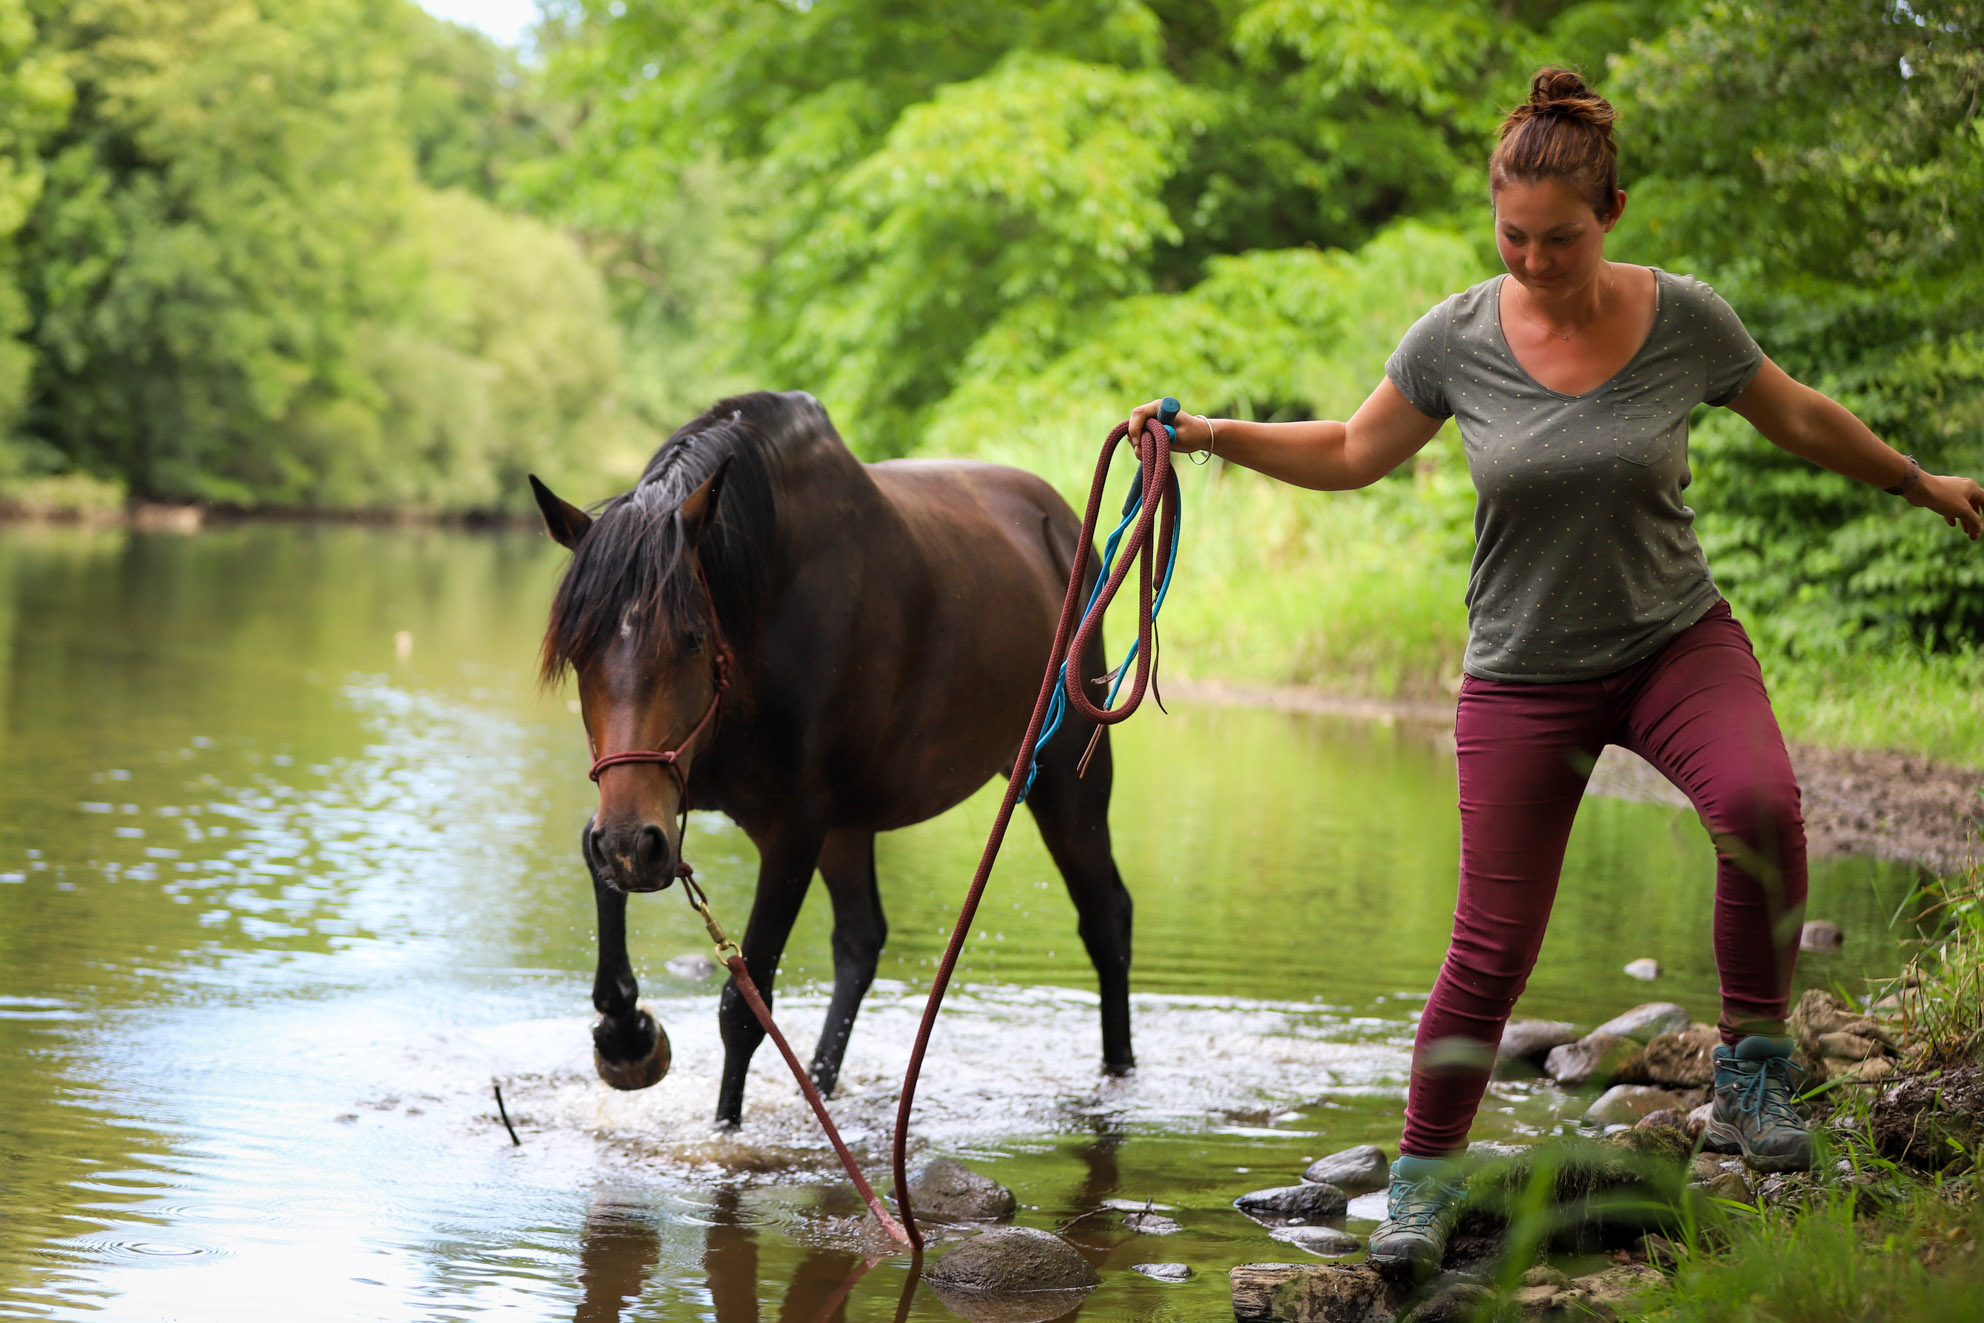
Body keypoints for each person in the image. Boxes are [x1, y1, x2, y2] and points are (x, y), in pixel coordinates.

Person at [1125, 66, 1984, 1273]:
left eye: (1560, 240)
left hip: (1671, 639)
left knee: (1757, 806)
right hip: (1523, 673)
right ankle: (1421, 1181)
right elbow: (1350, 448)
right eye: (1512, 236)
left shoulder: (1685, 318)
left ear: (1612, 216)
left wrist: (1917, 481)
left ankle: (1751, 1071)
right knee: (1492, 941)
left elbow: (1795, 415)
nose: (1533, 260)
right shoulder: (1455, 337)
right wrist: (1215, 436)